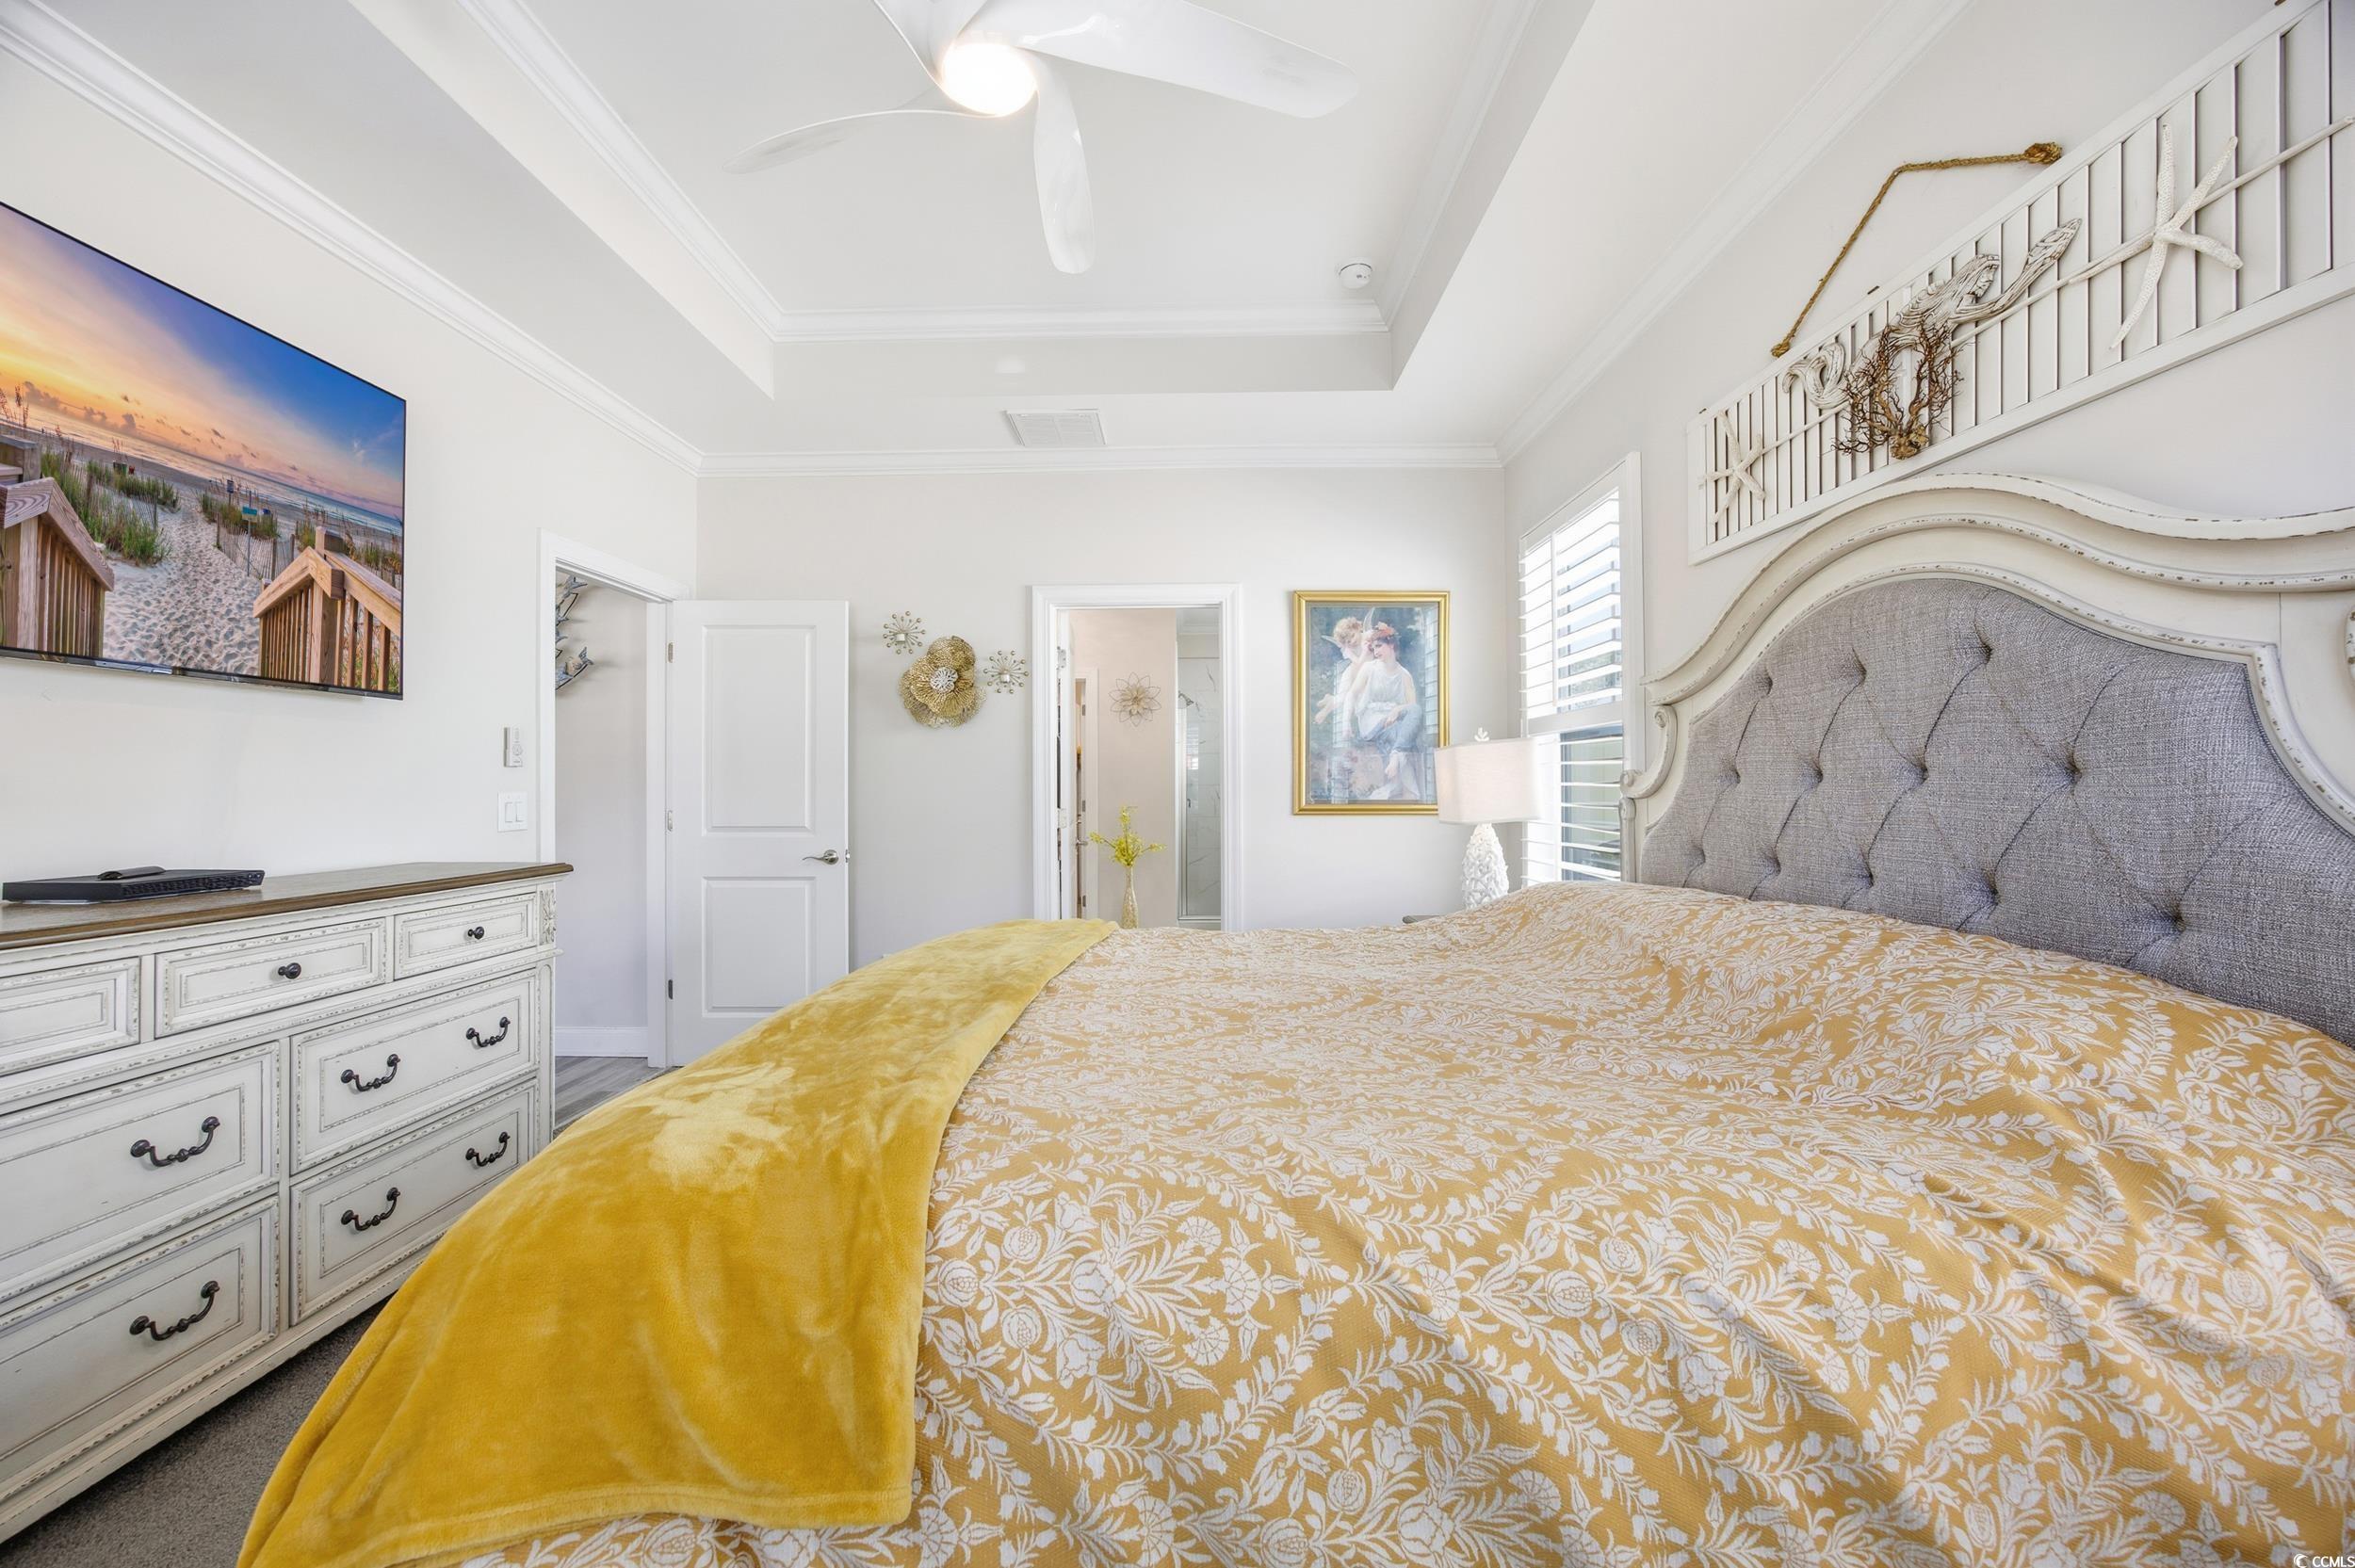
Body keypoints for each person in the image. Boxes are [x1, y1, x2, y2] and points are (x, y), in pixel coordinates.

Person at [1351, 622, 1424, 800]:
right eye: (1373, 648)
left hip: (1393, 723)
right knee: (1403, 734)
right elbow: (1352, 694)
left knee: (1413, 713)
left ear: (1391, 645)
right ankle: (1410, 790)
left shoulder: (1404, 675)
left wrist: (1398, 709)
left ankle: (1396, 757)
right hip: (1371, 722)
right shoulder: (1370, 668)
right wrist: (1348, 723)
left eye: (1379, 646)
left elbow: (1412, 709)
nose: (1375, 652)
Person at [1313, 615, 1372, 802]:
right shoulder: (1348, 650)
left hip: (1365, 673)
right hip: (1355, 671)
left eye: (1352, 637)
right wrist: (1361, 651)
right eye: (1346, 641)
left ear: (1358, 628)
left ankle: (1328, 702)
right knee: (1344, 695)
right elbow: (1358, 664)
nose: (1351, 642)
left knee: (1345, 696)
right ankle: (1327, 706)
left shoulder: (1368, 635)